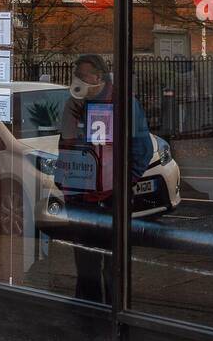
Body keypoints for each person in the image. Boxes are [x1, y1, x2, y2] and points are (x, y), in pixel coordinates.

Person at [57, 54, 151, 302]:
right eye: (75, 75)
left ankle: (114, 309)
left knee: (113, 262)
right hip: (80, 196)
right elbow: (66, 145)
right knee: (85, 262)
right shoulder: (73, 104)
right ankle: (88, 310)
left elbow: (142, 149)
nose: (77, 80)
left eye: (83, 75)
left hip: (111, 197)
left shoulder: (123, 103)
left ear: (98, 76)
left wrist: (122, 183)